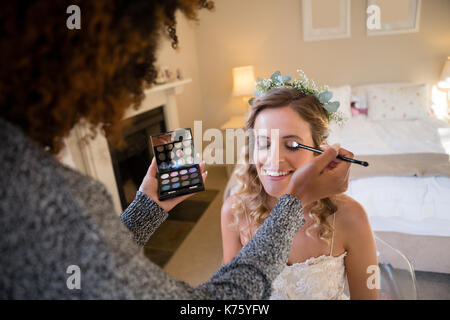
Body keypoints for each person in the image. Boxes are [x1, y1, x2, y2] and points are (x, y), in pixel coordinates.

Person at [0, 1, 350, 299]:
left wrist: (146, 209)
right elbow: (216, 301)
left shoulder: (32, 181)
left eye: (292, 143)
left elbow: (91, 260)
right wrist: (294, 202)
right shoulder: (44, 198)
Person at [221, 84, 379, 300]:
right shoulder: (235, 210)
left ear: (321, 152)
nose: (274, 160)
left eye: (293, 145)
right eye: (264, 144)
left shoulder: (351, 216)